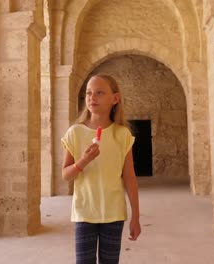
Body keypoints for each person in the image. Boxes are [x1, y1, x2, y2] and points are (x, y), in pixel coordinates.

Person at [61, 74, 141, 264]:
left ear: (115, 99)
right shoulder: (75, 133)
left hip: (113, 213)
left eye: (99, 93)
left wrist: (135, 216)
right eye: (88, 93)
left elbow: (129, 177)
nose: (92, 97)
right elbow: (66, 175)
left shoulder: (122, 134)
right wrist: (83, 160)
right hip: (84, 212)